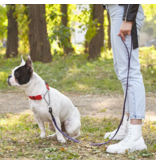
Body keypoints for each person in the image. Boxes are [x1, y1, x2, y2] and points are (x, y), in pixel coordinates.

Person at [102, 4, 147, 154]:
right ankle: (127, 127)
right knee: (122, 71)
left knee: (130, 73)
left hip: (124, 11)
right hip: (117, 11)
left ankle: (135, 136)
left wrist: (128, 17)